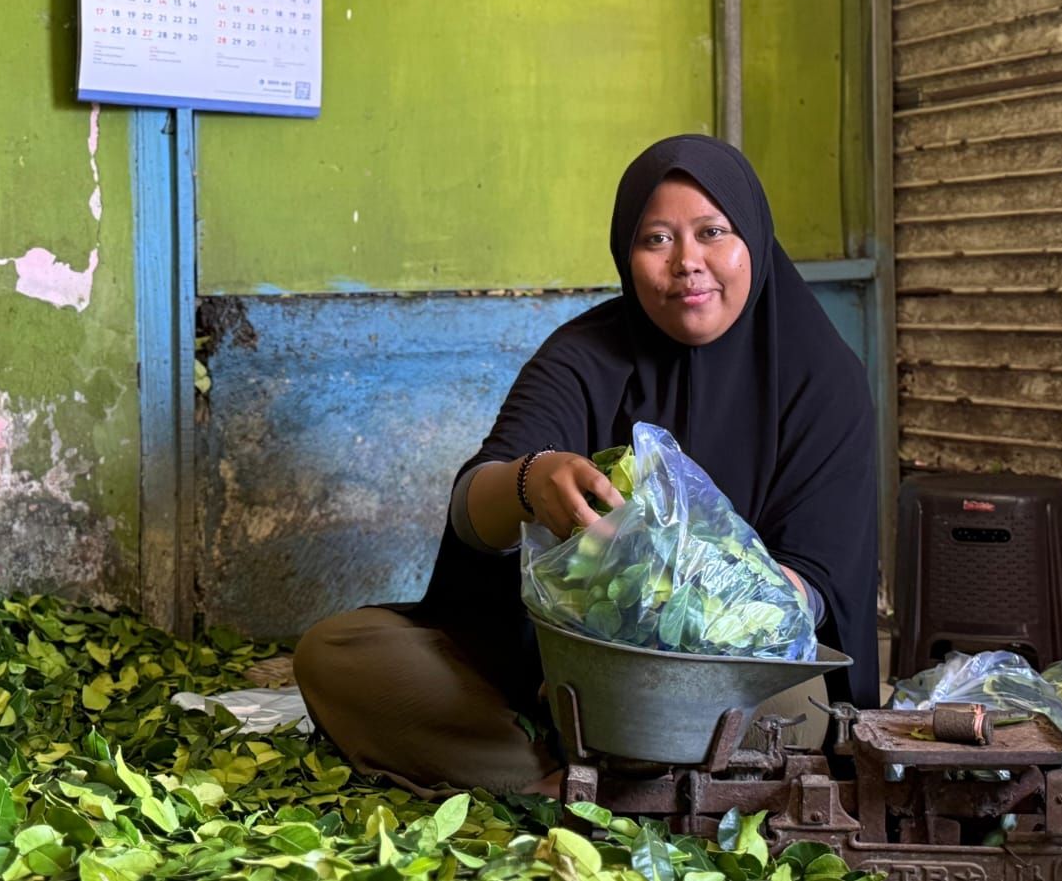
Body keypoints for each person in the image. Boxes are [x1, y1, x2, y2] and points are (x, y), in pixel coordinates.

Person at [294, 134, 880, 795]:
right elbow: (470, 509)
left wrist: (672, 611)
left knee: (796, 710)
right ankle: (609, 786)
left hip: (728, 679)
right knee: (339, 653)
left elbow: (817, 586)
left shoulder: (823, 379)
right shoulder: (585, 356)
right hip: (555, 665)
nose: (687, 262)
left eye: (713, 232)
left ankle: (564, 780)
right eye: (656, 239)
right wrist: (529, 480)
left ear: (755, 240)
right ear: (626, 255)